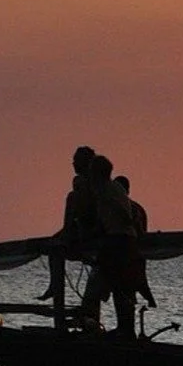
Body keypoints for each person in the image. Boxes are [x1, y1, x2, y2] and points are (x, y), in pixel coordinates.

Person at [81, 153, 142, 338]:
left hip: (119, 239)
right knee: (118, 285)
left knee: (114, 284)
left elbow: (123, 214)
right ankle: (123, 328)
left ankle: (121, 328)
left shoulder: (107, 190)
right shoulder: (112, 189)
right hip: (118, 238)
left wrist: (124, 222)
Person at [41, 145, 100, 325]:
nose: (72, 163)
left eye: (76, 160)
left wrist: (66, 231)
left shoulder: (84, 184)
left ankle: (54, 286)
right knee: (55, 243)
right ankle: (55, 286)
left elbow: (81, 210)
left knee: (55, 246)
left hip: (89, 230)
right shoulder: (96, 184)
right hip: (85, 228)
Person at [115, 175, 156, 310]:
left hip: (129, 251)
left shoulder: (130, 208)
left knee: (126, 289)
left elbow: (138, 230)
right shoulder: (137, 207)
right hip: (136, 252)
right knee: (133, 286)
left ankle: (126, 326)